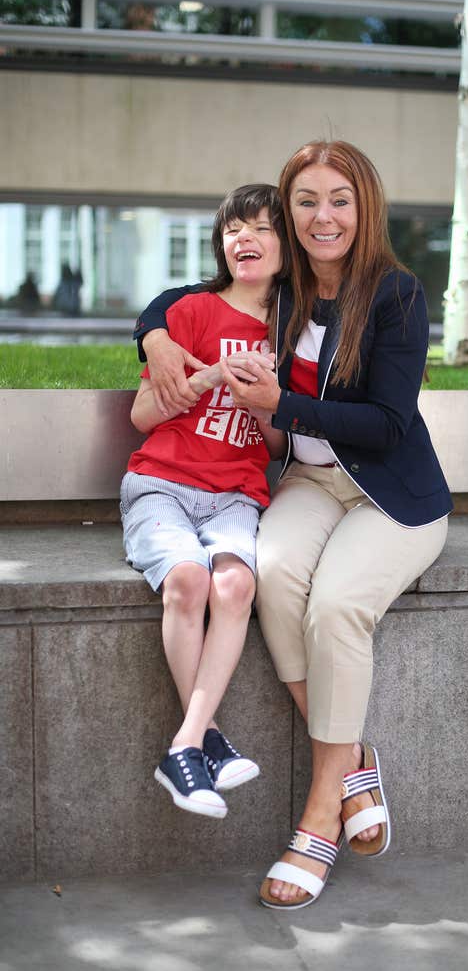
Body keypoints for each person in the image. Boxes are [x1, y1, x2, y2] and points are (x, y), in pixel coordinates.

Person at [134, 141, 453, 908]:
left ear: (364, 206)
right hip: (309, 481)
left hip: (390, 494)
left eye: (339, 199)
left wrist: (283, 409)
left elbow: (385, 421)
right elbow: (180, 297)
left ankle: (319, 813)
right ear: (287, 216)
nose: (323, 216)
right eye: (305, 201)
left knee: (338, 605)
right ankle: (355, 760)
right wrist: (154, 337)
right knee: (271, 575)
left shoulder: (396, 294)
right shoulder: (287, 289)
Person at [122, 183, 288, 821]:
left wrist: (265, 398)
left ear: (286, 248)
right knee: (187, 583)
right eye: (234, 229)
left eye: (262, 228)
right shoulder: (188, 313)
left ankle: (186, 745)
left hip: (237, 492)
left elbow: (275, 443)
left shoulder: (290, 330)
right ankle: (206, 737)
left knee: (236, 588)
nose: (245, 238)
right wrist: (209, 377)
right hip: (163, 482)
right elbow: (142, 415)